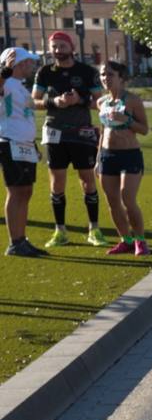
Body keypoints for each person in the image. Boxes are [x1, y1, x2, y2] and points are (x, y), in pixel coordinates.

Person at [34, 31, 109, 248]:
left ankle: (94, 229)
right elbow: (33, 102)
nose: (58, 51)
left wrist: (80, 99)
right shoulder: (45, 72)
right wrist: (55, 101)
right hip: (54, 132)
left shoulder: (86, 72)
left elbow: (100, 102)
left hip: (82, 132)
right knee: (57, 183)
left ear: (72, 47)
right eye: (54, 47)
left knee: (87, 180)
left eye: (62, 46)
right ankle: (60, 231)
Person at [94, 61, 151, 256]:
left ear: (121, 78)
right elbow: (102, 131)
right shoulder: (101, 102)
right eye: (102, 74)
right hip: (108, 156)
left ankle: (140, 240)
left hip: (130, 154)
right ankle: (125, 240)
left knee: (128, 197)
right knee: (112, 201)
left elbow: (144, 129)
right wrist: (98, 157)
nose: (105, 78)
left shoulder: (133, 100)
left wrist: (125, 120)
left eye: (110, 74)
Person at [1, 46, 44, 257]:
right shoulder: (7, 83)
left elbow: (24, 115)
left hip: (24, 144)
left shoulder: (20, 85)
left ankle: (21, 238)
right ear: (17, 64)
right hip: (10, 143)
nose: (32, 65)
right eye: (28, 62)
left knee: (26, 191)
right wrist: (4, 70)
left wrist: (32, 144)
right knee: (16, 191)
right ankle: (14, 242)